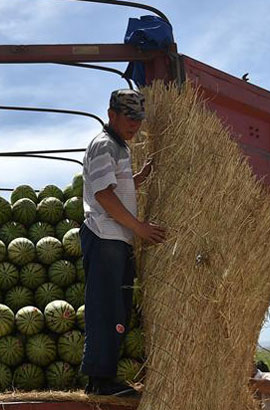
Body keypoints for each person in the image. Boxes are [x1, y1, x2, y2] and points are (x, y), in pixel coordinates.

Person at [79, 89, 167, 396]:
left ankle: (104, 377)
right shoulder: (104, 145)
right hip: (105, 235)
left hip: (117, 237)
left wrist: (137, 178)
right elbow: (103, 195)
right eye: (129, 118)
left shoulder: (120, 147)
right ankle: (101, 381)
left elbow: (112, 185)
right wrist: (140, 228)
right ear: (111, 114)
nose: (135, 125)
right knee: (106, 307)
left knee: (117, 308)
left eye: (138, 119)